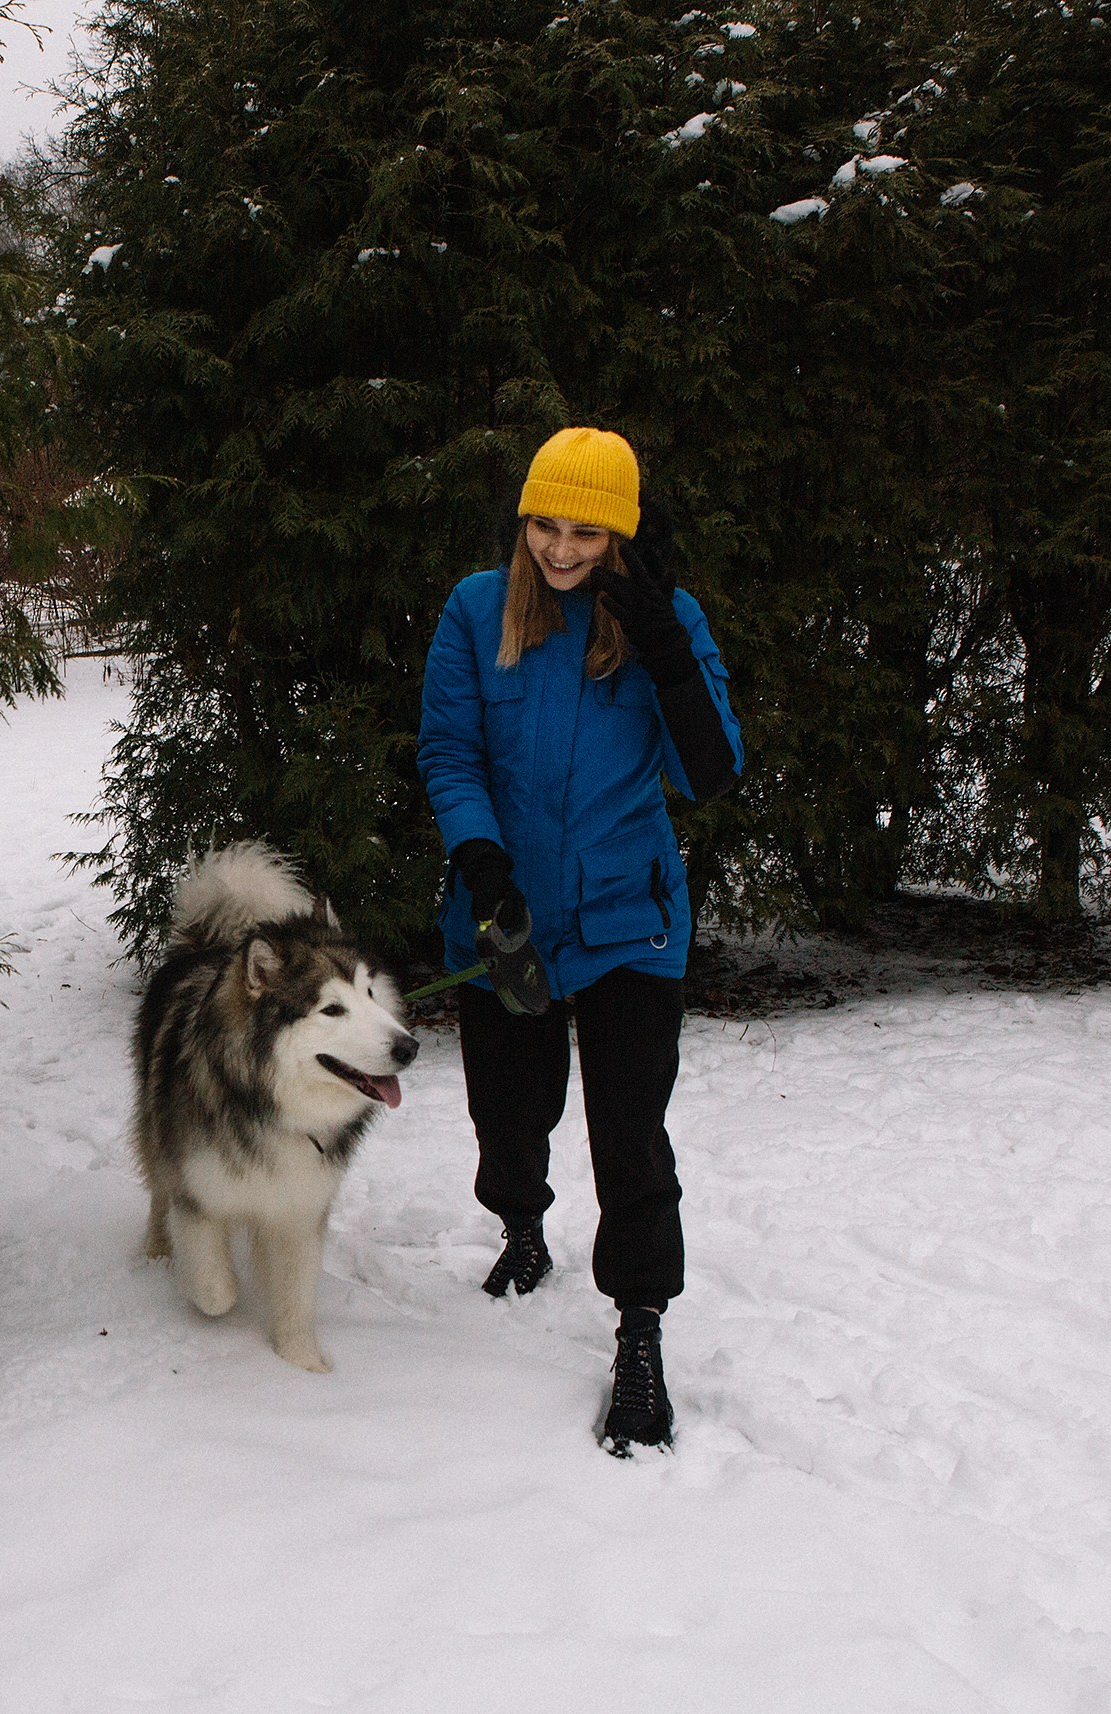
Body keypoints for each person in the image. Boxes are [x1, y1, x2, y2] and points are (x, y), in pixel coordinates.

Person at [415, 426, 743, 1456]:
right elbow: (450, 749)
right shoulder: (478, 609)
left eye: (586, 531)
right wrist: (483, 861)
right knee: (509, 1108)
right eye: (546, 525)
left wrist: (668, 655)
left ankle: (639, 1333)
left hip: (629, 925)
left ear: (621, 533)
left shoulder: (663, 619)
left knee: (631, 1134)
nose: (561, 549)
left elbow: (711, 773)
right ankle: (520, 1221)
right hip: (507, 913)